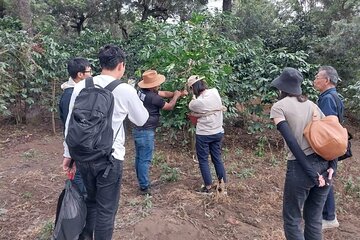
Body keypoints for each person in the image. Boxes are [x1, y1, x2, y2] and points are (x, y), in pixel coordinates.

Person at [62, 44, 149, 240]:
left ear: (100, 64)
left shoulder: (81, 86)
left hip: (83, 156)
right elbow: (141, 120)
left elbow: (70, 122)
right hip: (110, 159)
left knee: (91, 201)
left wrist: (68, 154)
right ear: (121, 65)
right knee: (106, 211)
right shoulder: (125, 89)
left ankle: (86, 237)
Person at [270, 67, 335, 240]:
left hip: (301, 168)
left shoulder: (278, 107)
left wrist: (309, 171)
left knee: (292, 219)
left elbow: (291, 141)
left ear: (282, 87)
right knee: (314, 219)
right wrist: (332, 167)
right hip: (324, 165)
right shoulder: (312, 105)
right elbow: (331, 135)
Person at [133, 69, 186, 195]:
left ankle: (142, 182)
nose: (159, 85)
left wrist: (176, 93)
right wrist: (177, 96)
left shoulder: (142, 92)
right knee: (145, 159)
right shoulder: (153, 97)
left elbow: (163, 93)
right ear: (153, 86)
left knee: (139, 157)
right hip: (146, 131)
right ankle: (144, 187)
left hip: (138, 129)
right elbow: (169, 106)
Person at [313, 65, 343, 229]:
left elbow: (327, 128)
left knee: (325, 177)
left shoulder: (328, 99)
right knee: (326, 177)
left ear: (327, 80)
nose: (315, 80)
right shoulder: (333, 96)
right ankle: (327, 215)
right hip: (333, 144)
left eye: (318, 77)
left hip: (328, 146)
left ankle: (329, 217)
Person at [187, 75, 227, 194]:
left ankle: (208, 187)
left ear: (192, 88)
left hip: (204, 134)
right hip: (218, 131)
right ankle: (222, 187)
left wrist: (192, 95)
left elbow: (191, 105)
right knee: (217, 159)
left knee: (203, 160)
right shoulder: (215, 92)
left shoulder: (196, 103)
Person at [59, 57, 92, 194]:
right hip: (77, 144)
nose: (92, 75)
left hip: (78, 144)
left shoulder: (75, 91)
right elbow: (71, 124)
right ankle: (79, 205)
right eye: (89, 71)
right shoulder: (70, 95)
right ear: (80, 74)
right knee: (79, 176)